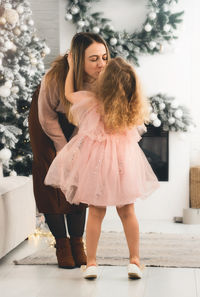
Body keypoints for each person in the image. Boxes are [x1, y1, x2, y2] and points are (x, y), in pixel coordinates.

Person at [44, 56, 159, 279]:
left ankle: (93, 264)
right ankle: (134, 261)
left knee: (96, 212)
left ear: (104, 82)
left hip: (97, 164)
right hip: (125, 163)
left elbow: (68, 94)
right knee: (127, 211)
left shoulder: (91, 101)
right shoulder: (131, 106)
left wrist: (70, 68)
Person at [28, 32, 110, 269]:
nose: (101, 63)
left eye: (104, 57)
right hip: (46, 119)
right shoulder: (54, 78)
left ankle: (77, 243)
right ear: (77, 58)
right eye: (94, 59)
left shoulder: (103, 80)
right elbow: (46, 116)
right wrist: (62, 147)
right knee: (48, 173)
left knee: (79, 174)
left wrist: (75, 148)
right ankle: (61, 244)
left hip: (78, 124)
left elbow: (89, 121)